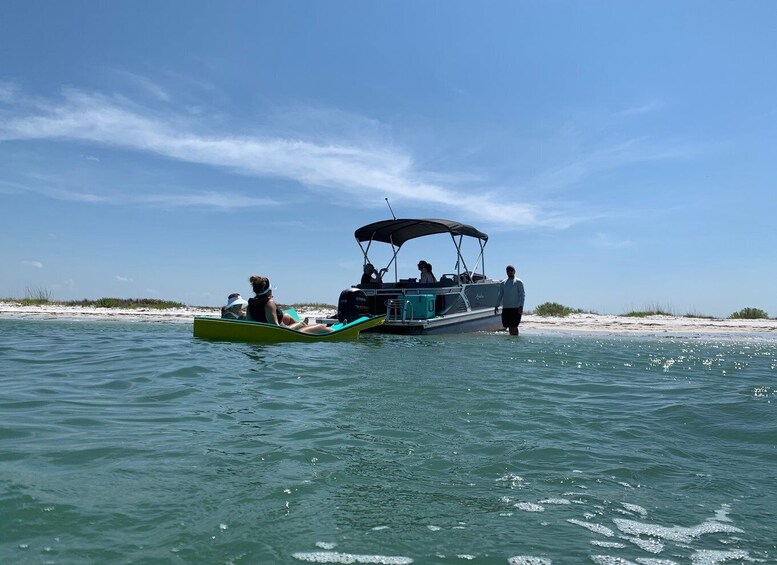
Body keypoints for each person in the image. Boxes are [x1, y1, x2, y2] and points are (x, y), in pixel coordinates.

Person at [247, 275, 332, 334]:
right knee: (318, 326)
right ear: (269, 291)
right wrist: (297, 327)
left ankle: (308, 328)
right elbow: (275, 328)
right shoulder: (269, 303)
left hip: (264, 331)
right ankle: (333, 330)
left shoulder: (251, 302)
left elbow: (249, 322)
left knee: (287, 316)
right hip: (283, 332)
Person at [494, 264, 525, 336]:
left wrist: (521, 306)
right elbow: (500, 295)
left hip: (516, 308)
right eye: (508, 271)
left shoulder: (518, 282)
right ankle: (511, 343)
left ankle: (515, 340)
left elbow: (522, 295)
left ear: (514, 271)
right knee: (508, 326)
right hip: (506, 308)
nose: (509, 272)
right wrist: (496, 305)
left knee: (514, 326)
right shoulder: (503, 283)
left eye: (511, 270)